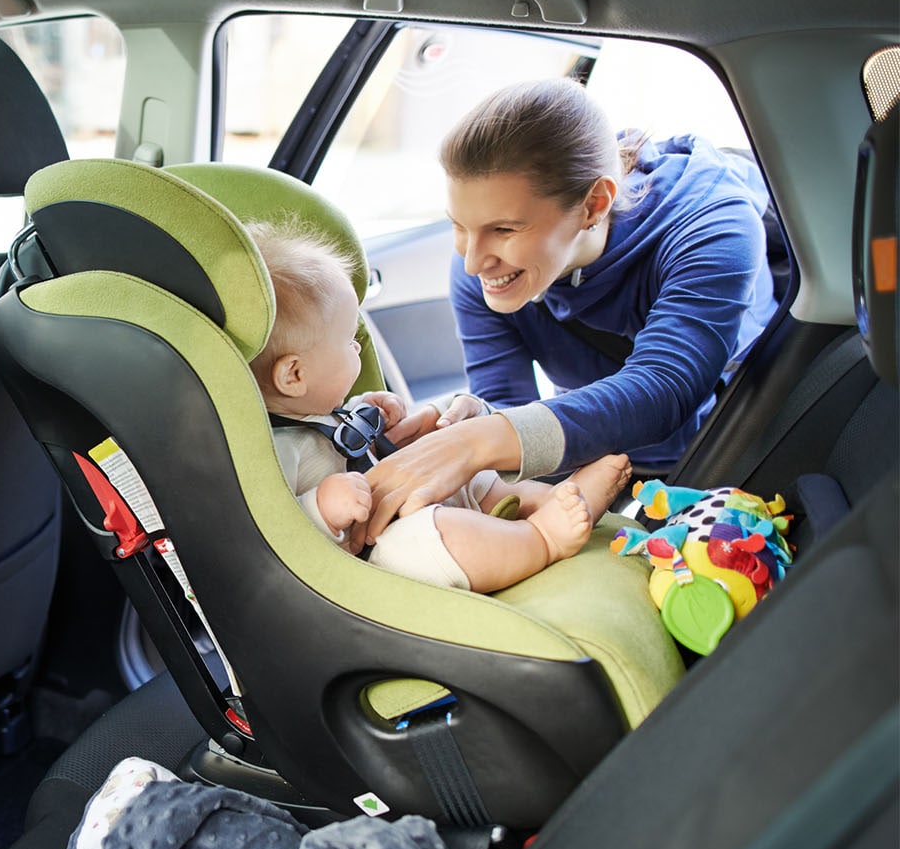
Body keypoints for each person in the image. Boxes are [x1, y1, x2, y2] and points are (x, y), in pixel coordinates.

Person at [362, 77, 778, 543]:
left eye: (503, 229)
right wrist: (469, 421)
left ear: (593, 205)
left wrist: (475, 443)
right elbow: (511, 410)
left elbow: (665, 387)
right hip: (600, 458)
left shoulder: (712, 225)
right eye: (458, 225)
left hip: (731, 447)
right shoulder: (481, 269)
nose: (474, 260)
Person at [247, 219, 631, 594]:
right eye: (348, 340)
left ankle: (548, 500)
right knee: (431, 536)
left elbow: (342, 437)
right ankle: (542, 538)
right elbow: (273, 536)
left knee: (471, 477)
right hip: (374, 551)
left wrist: (371, 411)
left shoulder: (318, 409)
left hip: (404, 499)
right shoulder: (276, 449)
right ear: (294, 376)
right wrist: (321, 508)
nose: (358, 346)